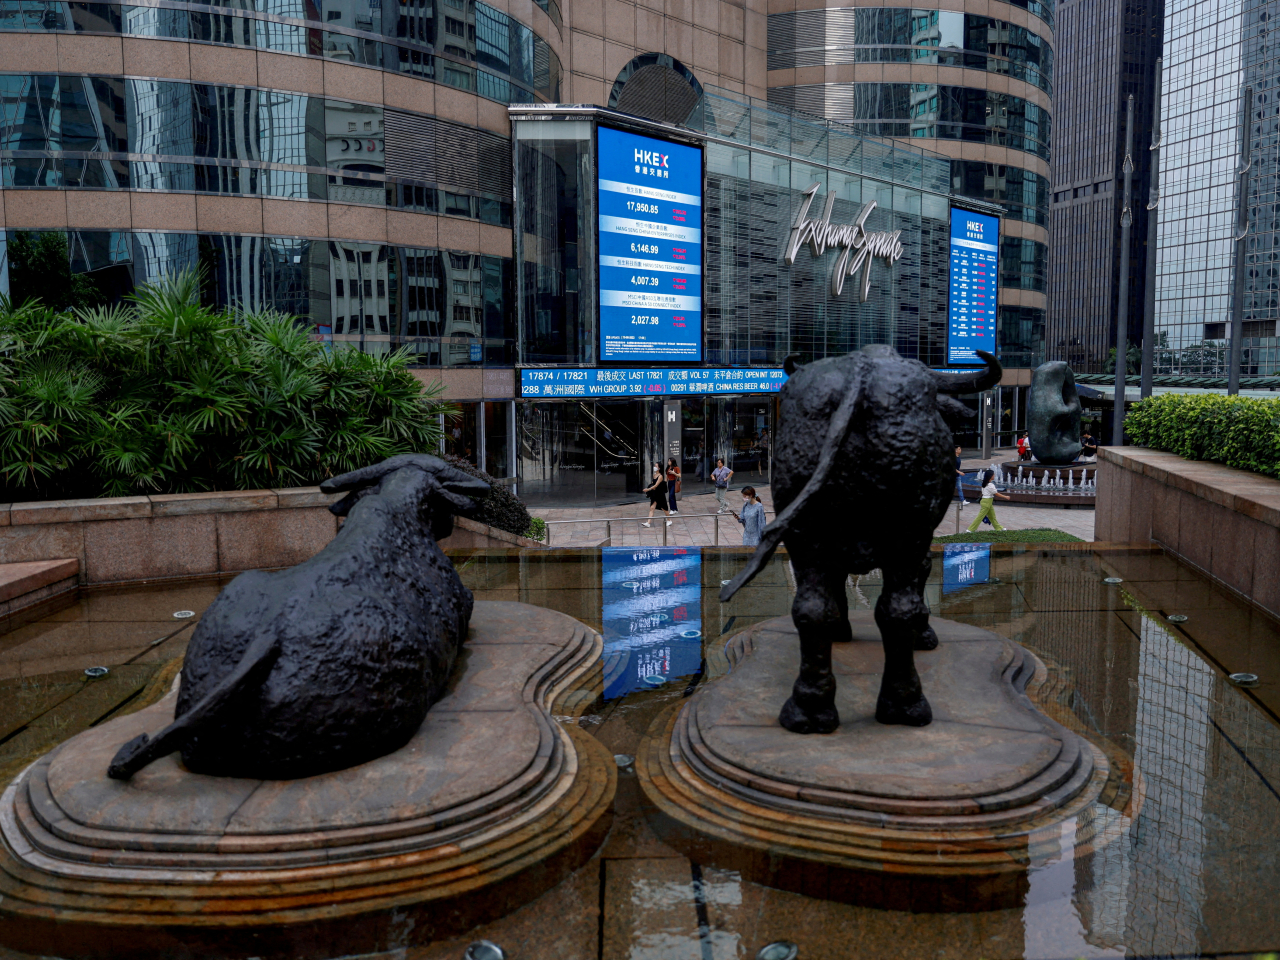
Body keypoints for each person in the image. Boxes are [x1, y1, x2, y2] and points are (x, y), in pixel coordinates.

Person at [641, 463, 673, 528]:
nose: (654, 467)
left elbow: (656, 485)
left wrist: (648, 489)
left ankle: (669, 520)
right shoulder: (654, 475)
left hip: (660, 494)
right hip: (655, 494)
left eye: (656, 466)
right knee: (652, 508)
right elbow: (653, 483)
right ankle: (648, 523)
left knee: (664, 508)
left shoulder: (660, 476)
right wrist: (649, 487)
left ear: (659, 468)